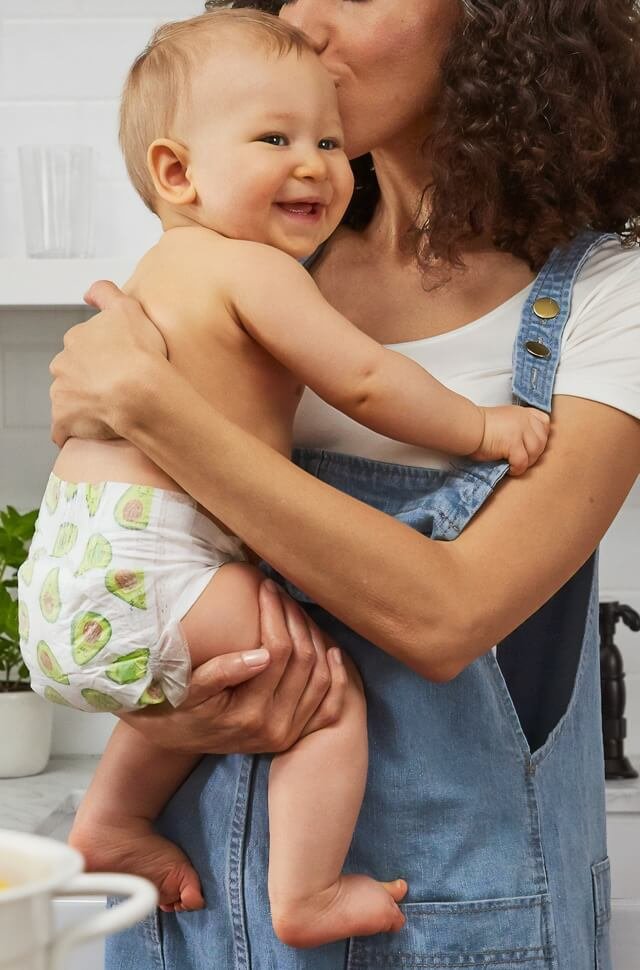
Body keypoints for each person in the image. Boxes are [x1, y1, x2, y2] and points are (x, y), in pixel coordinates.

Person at [48, 1, 640, 968]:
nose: (307, 21)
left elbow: (448, 617)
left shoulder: (612, 293)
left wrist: (157, 407)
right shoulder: (262, 254)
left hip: (439, 925)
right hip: (190, 912)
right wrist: (170, 705)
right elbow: (140, 539)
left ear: (499, 23)